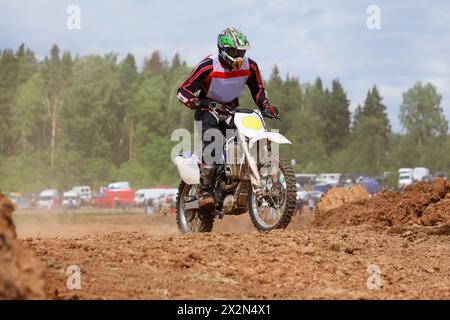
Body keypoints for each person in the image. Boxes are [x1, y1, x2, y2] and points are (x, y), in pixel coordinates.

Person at [177, 27, 280, 210]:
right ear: (224, 51)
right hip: (207, 109)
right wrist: (194, 101)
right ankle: (205, 192)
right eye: (235, 52)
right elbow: (183, 91)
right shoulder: (208, 66)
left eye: (241, 51)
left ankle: (236, 182)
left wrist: (265, 105)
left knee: (247, 140)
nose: (239, 56)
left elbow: (257, 89)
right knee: (214, 142)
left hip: (231, 110)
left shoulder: (251, 66)